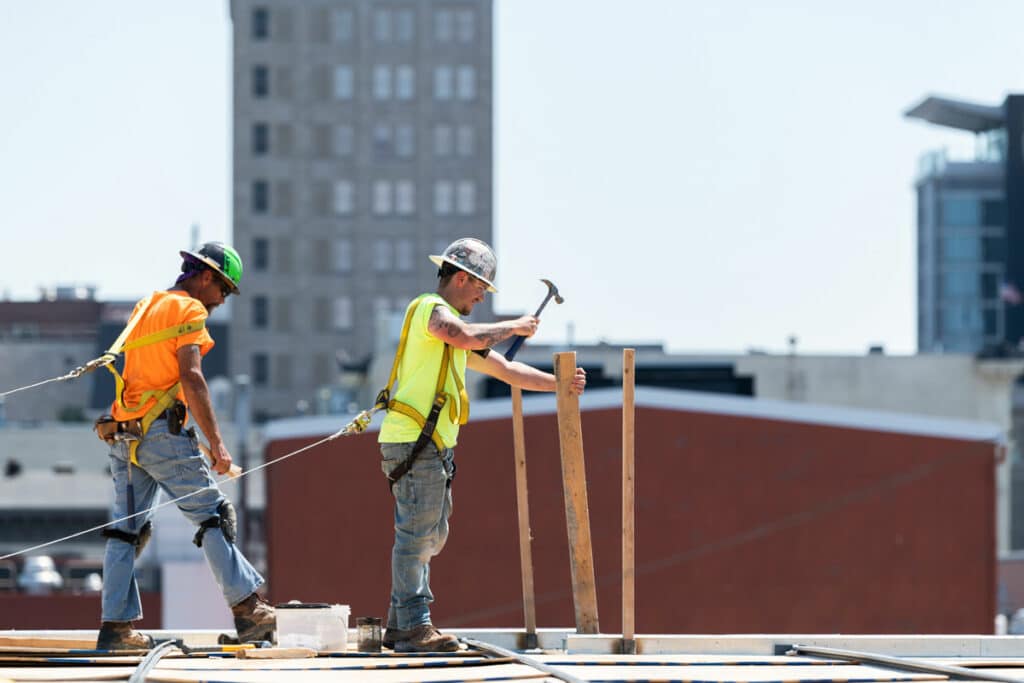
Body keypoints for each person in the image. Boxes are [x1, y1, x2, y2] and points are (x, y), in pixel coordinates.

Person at [377, 237, 586, 652]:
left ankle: (402, 624)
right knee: (417, 537)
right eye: (479, 289)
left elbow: (506, 369)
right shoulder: (430, 312)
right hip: (415, 443)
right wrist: (513, 326)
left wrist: (559, 384)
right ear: (460, 278)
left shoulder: (457, 337)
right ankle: (414, 624)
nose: (480, 297)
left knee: (430, 535)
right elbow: (455, 331)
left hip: (428, 446)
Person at [94, 242, 274, 650]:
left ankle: (116, 630)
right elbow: (191, 377)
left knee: (124, 532)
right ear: (206, 277)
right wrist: (217, 444)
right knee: (213, 515)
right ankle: (249, 612)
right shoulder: (189, 310)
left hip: (124, 431)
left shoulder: (148, 303)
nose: (221, 301)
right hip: (161, 433)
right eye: (223, 290)